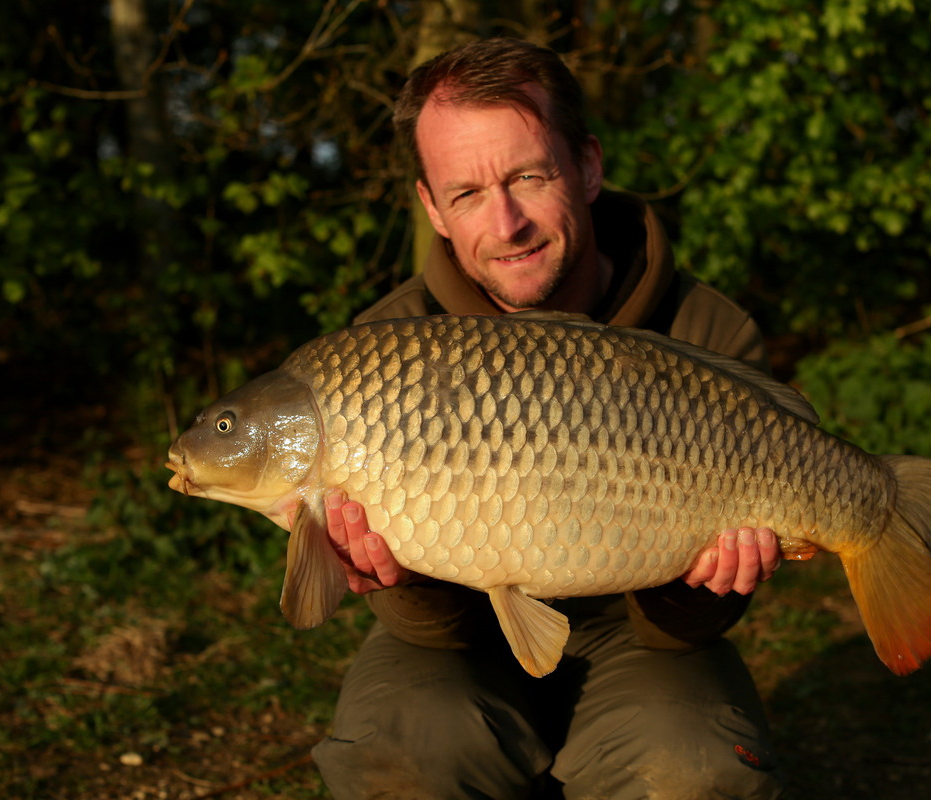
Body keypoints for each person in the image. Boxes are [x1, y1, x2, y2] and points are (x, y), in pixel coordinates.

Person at [310, 38, 788, 799]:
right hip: (460, 641)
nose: (506, 224)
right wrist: (393, 576)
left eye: (528, 176)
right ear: (431, 207)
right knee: (398, 758)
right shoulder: (382, 352)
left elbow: (689, 629)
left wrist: (699, 587)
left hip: (645, 634)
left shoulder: (702, 332)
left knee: (693, 776)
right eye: (466, 193)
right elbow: (429, 631)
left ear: (589, 167)